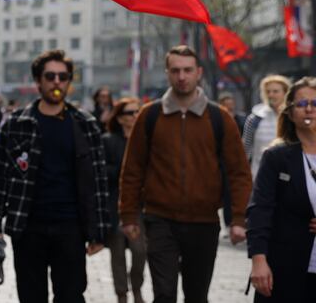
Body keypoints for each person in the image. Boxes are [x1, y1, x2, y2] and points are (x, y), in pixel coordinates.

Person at [120, 45, 253, 303]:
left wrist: (239, 218)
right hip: (159, 220)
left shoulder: (219, 117)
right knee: (164, 294)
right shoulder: (150, 115)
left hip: (204, 221)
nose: (182, 76)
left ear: (199, 73)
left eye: (188, 70)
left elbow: (238, 172)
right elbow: (132, 168)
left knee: (197, 295)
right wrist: (128, 214)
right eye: (176, 70)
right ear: (168, 73)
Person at [0, 49, 109, 303]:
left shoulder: (86, 124)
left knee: (71, 296)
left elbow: (98, 181)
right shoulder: (17, 123)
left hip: (71, 228)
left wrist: (101, 231)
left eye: (63, 77)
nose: (57, 82)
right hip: (28, 227)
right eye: (50, 76)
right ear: (38, 81)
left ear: (69, 82)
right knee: (31, 297)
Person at [246, 76, 316, 302]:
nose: (309, 109)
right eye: (302, 104)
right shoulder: (276, 157)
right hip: (287, 264)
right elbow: (260, 209)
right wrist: (258, 259)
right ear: (290, 112)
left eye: (315, 104)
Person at [102, 97, 146, 303]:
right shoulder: (109, 140)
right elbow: (102, 172)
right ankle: (122, 293)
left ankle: (136, 287)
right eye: (130, 112)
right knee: (117, 255)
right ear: (120, 118)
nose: (135, 115)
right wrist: (124, 170)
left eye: (138, 111)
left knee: (140, 251)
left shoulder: (145, 139)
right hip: (115, 205)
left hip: (140, 207)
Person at [243, 75, 291, 177]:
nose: (271, 95)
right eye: (268, 91)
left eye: (275, 91)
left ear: (286, 92)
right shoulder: (254, 118)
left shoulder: (294, 117)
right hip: (259, 175)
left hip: (289, 176)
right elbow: (245, 150)